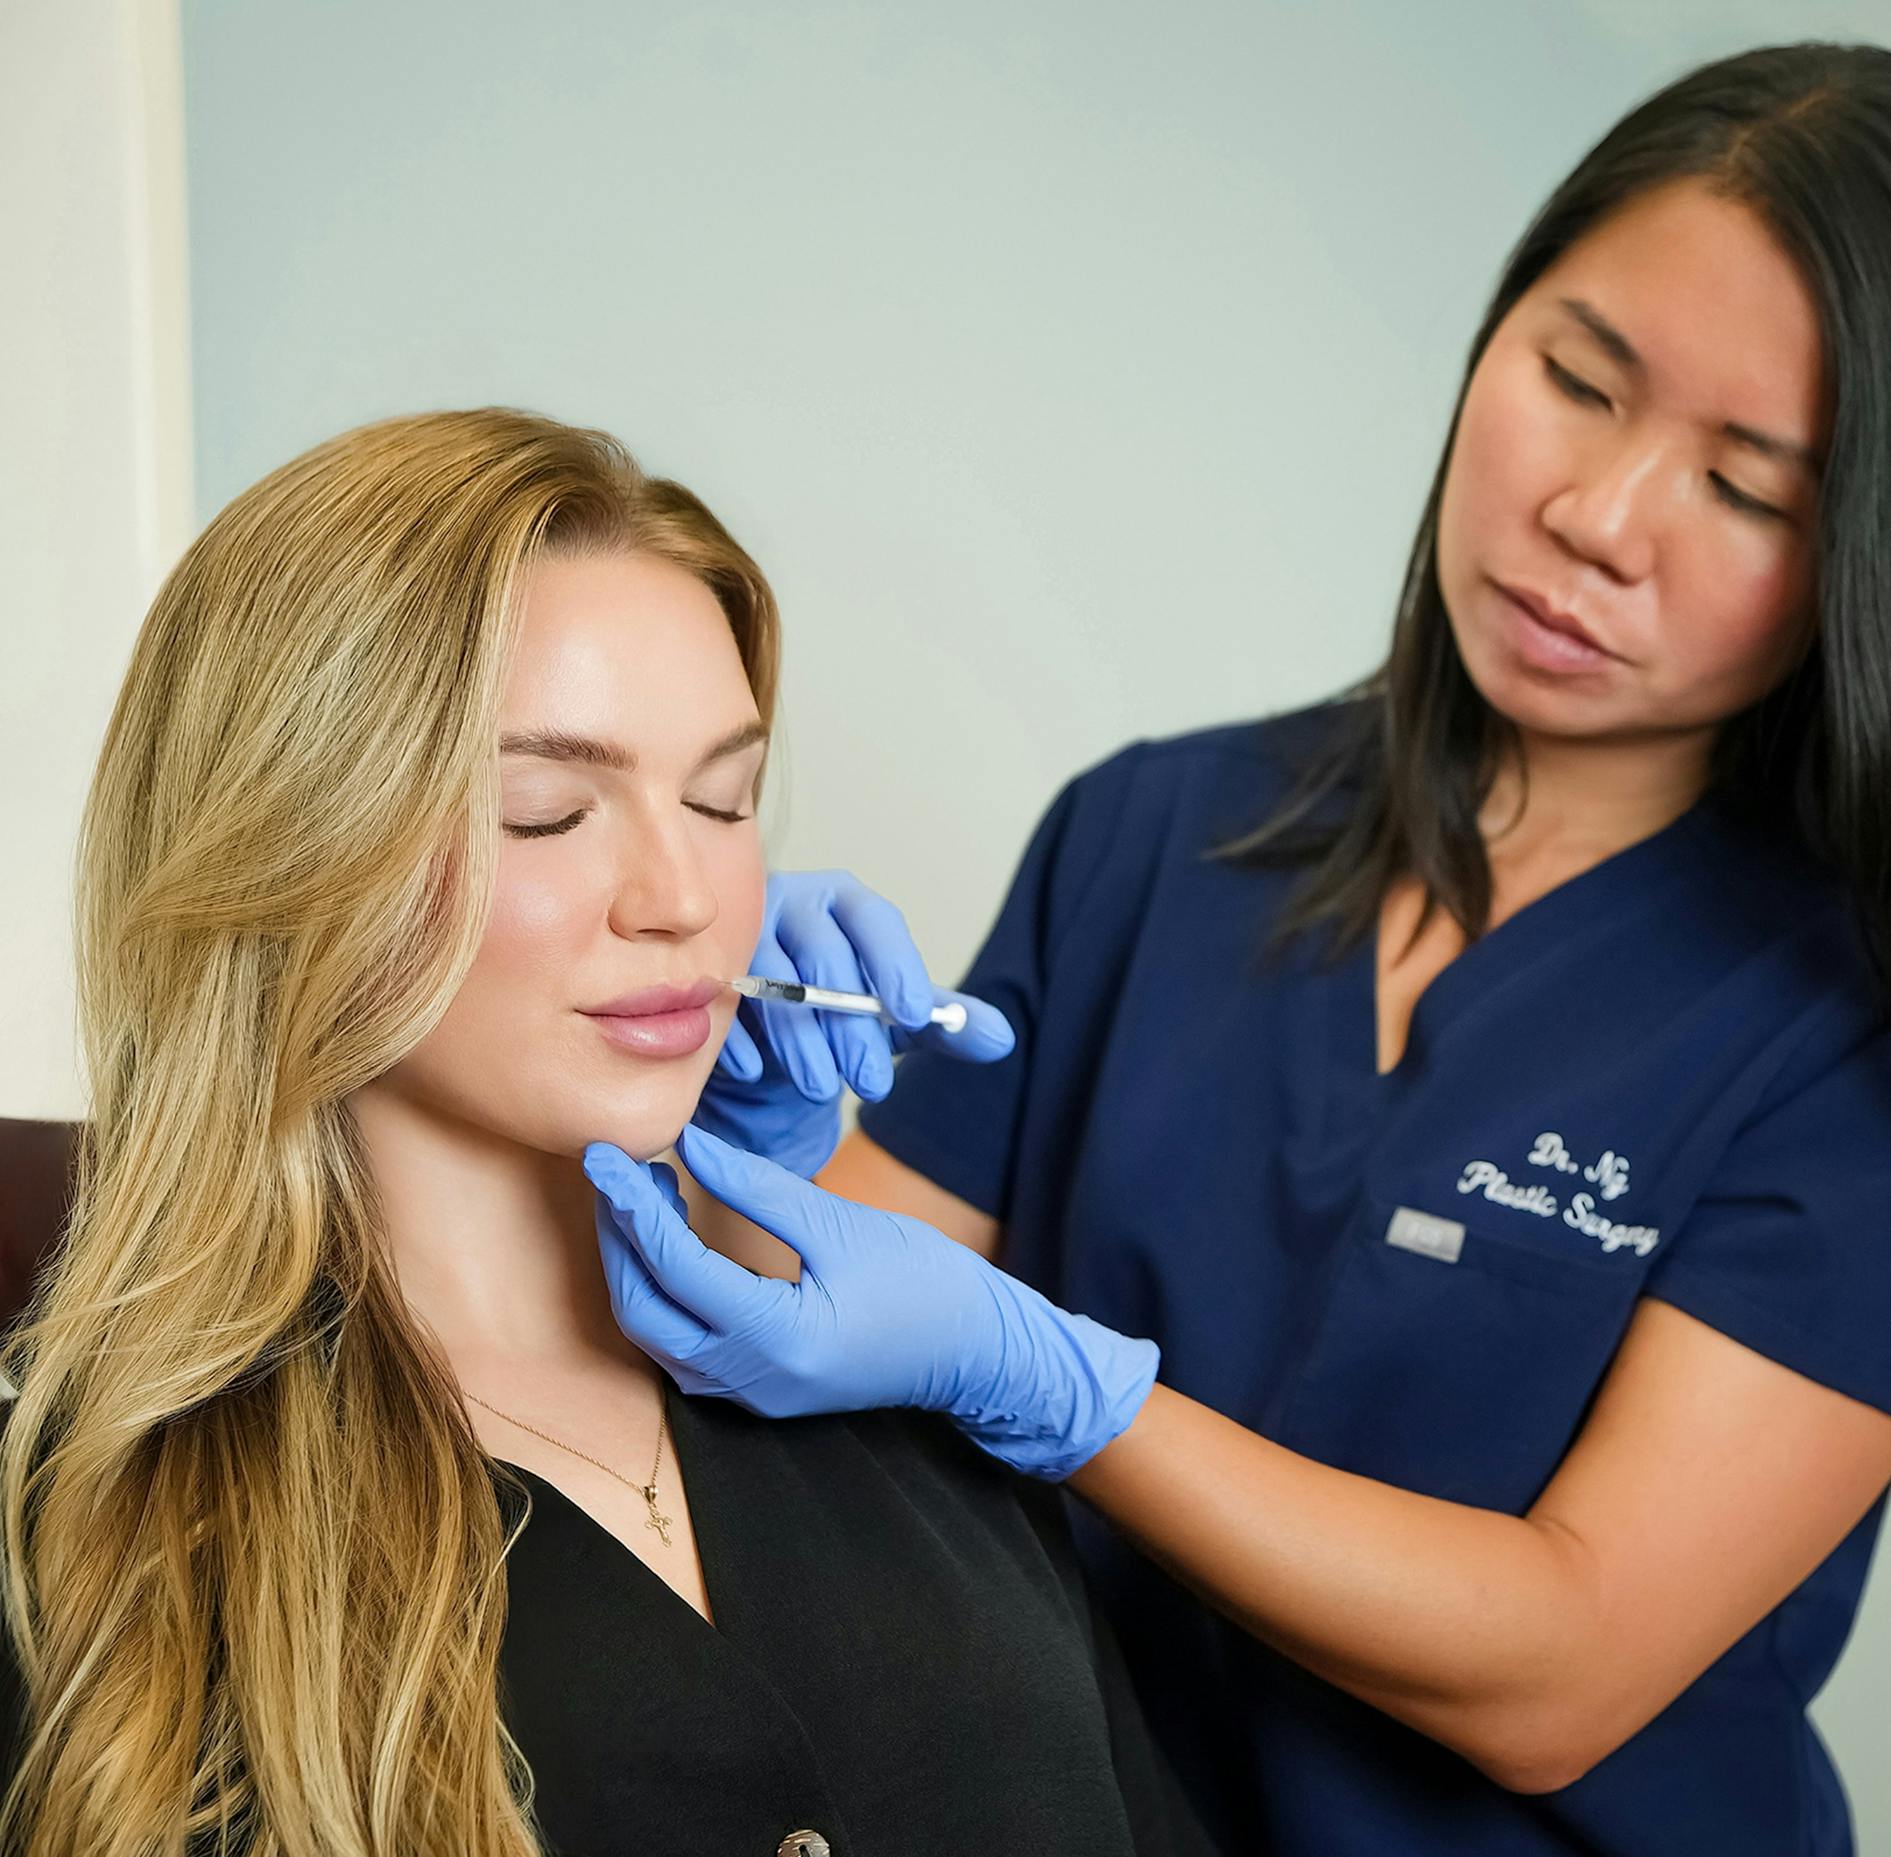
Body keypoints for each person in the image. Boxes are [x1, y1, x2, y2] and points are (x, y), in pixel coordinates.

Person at [588, 40, 1891, 1856]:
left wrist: (1056, 1385)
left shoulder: (1880, 1044)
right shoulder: (1156, 835)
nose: (1600, 517)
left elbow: (1564, 1663)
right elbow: (771, 1338)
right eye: (1578, 377)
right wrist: (718, 1127)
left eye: (1748, 490)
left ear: (1888, 559)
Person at [0, 409, 1215, 1857]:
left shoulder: (913, 1427)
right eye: (548, 810)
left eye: (724, 797)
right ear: (289, 851)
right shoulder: (99, 1536)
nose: (683, 894)